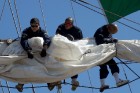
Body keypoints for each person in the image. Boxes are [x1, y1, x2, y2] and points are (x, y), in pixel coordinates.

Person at [47, 17, 83, 91]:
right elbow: (57, 37)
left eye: (69, 24)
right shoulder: (60, 27)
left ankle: (74, 80)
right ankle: (57, 79)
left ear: (72, 24)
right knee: (57, 61)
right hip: (61, 47)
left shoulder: (77, 30)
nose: (67, 25)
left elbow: (81, 42)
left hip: (72, 48)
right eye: (66, 23)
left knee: (73, 62)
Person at [15, 18, 51, 92]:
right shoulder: (26, 31)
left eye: (36, 26)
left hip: (40, 51)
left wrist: (44, 48)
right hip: (29, 51)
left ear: (39, 25)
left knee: (46, 63)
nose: (34, 27)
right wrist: (28, 50)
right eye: (32, 26)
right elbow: (23, 41)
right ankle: (21, 83)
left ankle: (50, 82)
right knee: (24, 64)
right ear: (30, 25)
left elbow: (47, 39)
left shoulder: (42, 31)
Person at [94, 24, 129, 92]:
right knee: (105, 69)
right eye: (110, 31)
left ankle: (117, 81)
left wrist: (111, 40)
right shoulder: (100, 31)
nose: (110, 33)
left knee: (113, 66)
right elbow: (99, 40)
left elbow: (108, 38)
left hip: (105, 52)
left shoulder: (108, 30)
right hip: (99, 53)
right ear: (108, 27)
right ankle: (105, 84)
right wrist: (111, 40)